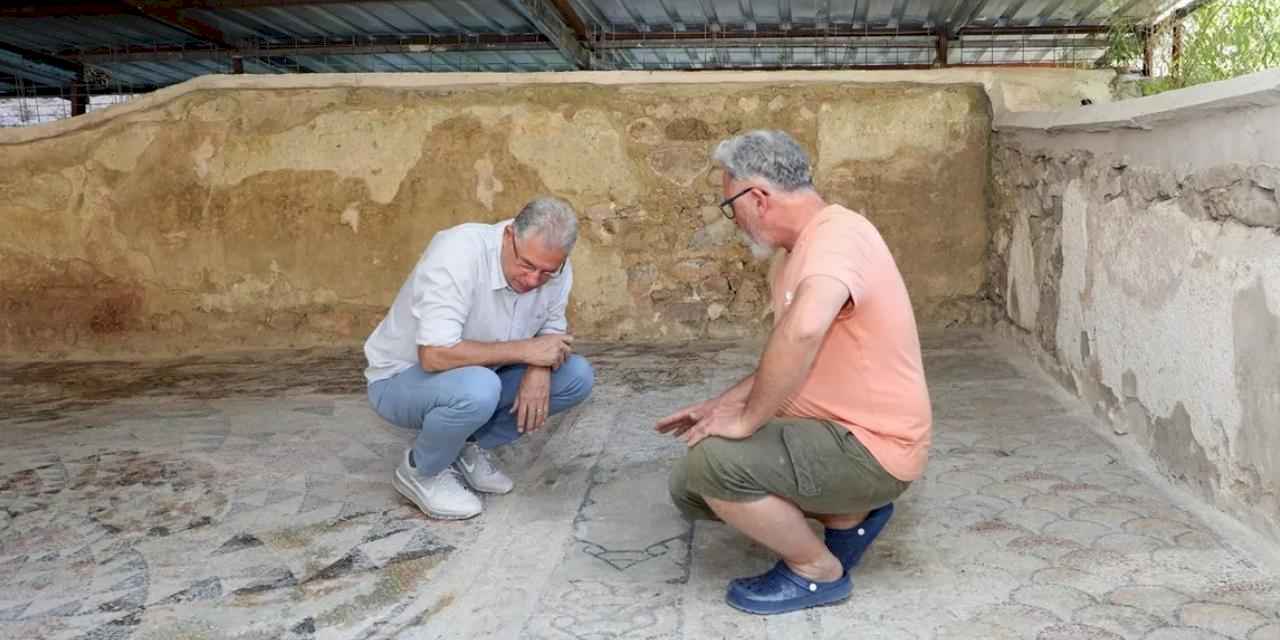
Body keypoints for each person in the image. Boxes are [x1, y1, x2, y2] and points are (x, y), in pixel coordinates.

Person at [657, 130, 932, 615]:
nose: (733, 220)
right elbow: (790, 352)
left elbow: (803, 332)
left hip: (871, 446)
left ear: (757, 197)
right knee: (692, 484)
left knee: (713, 465)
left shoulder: (837, 237)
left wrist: (745, 421)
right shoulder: (794, 254)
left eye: (730, 206)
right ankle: (849, 516)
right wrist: (723, 405)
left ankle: (816, 571)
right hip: (835, 433)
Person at [364, 197, 594, 520]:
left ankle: (463, 445)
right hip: (401, 380)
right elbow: (433, 354)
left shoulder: (556, 267)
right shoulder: (458, 252)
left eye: (546, 273)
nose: (533, 280)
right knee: (479, 388)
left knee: (576, 376)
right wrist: (526, 351)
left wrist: (539, 368)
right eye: (526, 266)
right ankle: (420, 470)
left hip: (482, 373)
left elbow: (553, 336)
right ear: (509, 235)